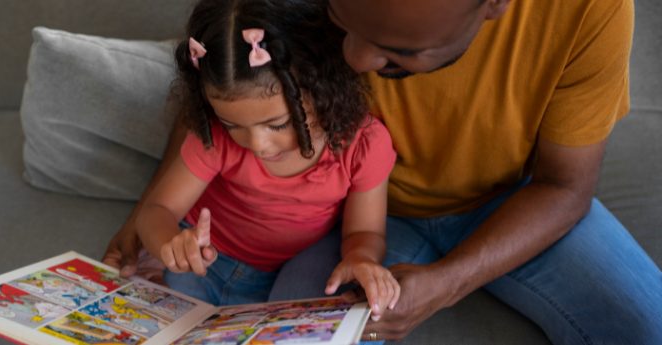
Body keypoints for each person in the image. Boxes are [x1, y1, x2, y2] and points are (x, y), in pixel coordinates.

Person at [106, 0, 662, 344]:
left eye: (400, 51)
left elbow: (565, 188)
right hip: (351, 213)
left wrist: (447, 284)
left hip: (513, 201)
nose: (354, 61)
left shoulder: (589, 9)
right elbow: (228, 85)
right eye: (341, 23)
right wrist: (150, 218)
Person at [114, 0, 400, 319]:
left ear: (324, 88)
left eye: (277, 124)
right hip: (201, 267)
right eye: (232, 124)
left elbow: (365, 233)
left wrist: (361, 258)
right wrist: (172, 244)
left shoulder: (364, 146)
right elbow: (158, 211)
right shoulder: (213, 136)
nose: (257, 144)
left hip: (282, 277)